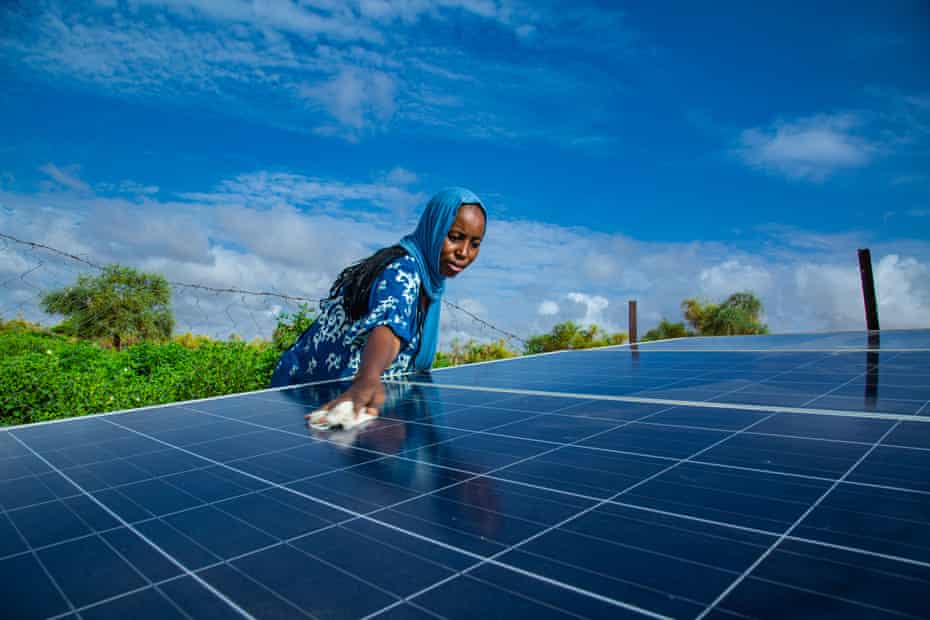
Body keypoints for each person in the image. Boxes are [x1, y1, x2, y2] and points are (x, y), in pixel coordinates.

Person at [269, 187, 487, 422]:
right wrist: (369, 377)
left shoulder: (431, 282)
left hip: (344, 396)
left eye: (475, 244)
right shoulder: (402, 272)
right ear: (434, 227)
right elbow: (389, 328)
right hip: (304, 392)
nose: (464, 252)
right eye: (455, 237)